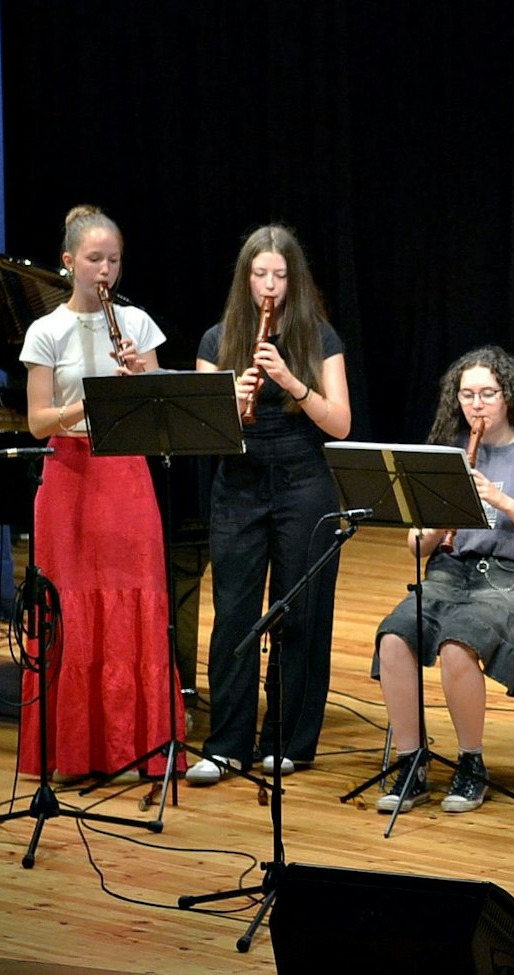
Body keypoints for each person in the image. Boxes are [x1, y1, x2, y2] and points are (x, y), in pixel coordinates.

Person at [371, 346, 514, 813]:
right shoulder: (450, 451)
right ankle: (412, 763)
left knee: (458, 641)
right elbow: (416, 547)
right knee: (393, 636)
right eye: (467, 394)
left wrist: (501, 501)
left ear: (508, 396)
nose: (477, 404)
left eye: (487, 393)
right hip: (453, 575)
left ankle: (472, 764)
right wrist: (442, 517)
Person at [16, 205, 181, 780]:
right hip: (70, 480)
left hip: (126, 478)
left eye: (113, 260)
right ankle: (74, 752)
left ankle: (137, 748)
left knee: (133, 602)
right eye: (94, 260)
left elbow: (162, 408)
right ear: (68, 263)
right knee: (73, 610)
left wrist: (141, 381)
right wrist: (92, 403)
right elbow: (38, 422)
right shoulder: (46, 330)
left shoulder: (137, 325)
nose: (105, 271)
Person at [185, 226, 351, 783]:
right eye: (260, 275)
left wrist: (293, 383)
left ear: (294, 280)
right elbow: (203, 436)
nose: (270, 287)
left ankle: (287, 738)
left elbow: (342, 424)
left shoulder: (318, 338)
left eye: (280, 276)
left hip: (306, 481)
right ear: (246, 278)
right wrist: (224, 404)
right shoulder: (218, 340)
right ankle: (226, 743)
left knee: (299, 611)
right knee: (233, 611)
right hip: (238, 484)